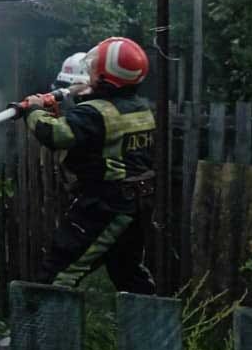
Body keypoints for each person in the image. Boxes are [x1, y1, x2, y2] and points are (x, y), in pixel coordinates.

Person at [17, 36, 157, 294]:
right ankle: (155, 332)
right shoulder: (140, 109)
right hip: (136, 204)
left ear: (107, 75)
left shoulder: (96, 113)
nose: (90, 71)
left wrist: (33, 110)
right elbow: (100, 139)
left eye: (95, 67)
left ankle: (43, 331)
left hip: (106, 205)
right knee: (129, 272)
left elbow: (57, 135)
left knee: (60, 272)